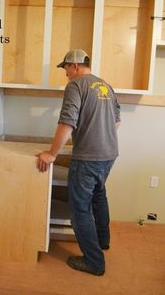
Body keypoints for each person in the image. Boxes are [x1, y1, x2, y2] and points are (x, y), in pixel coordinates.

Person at [36, 48, 120, 276]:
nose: (65, 74)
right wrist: (100, 136)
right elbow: (116, 121)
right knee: (99, 195)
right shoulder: (106, 86)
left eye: (65, 68)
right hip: (109, 153)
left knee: (80, 209)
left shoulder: (76, 86)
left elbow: (67, 123)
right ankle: (103, 240)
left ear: (74, 66)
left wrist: (52, 154)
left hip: (88, 157)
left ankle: (94, 262)